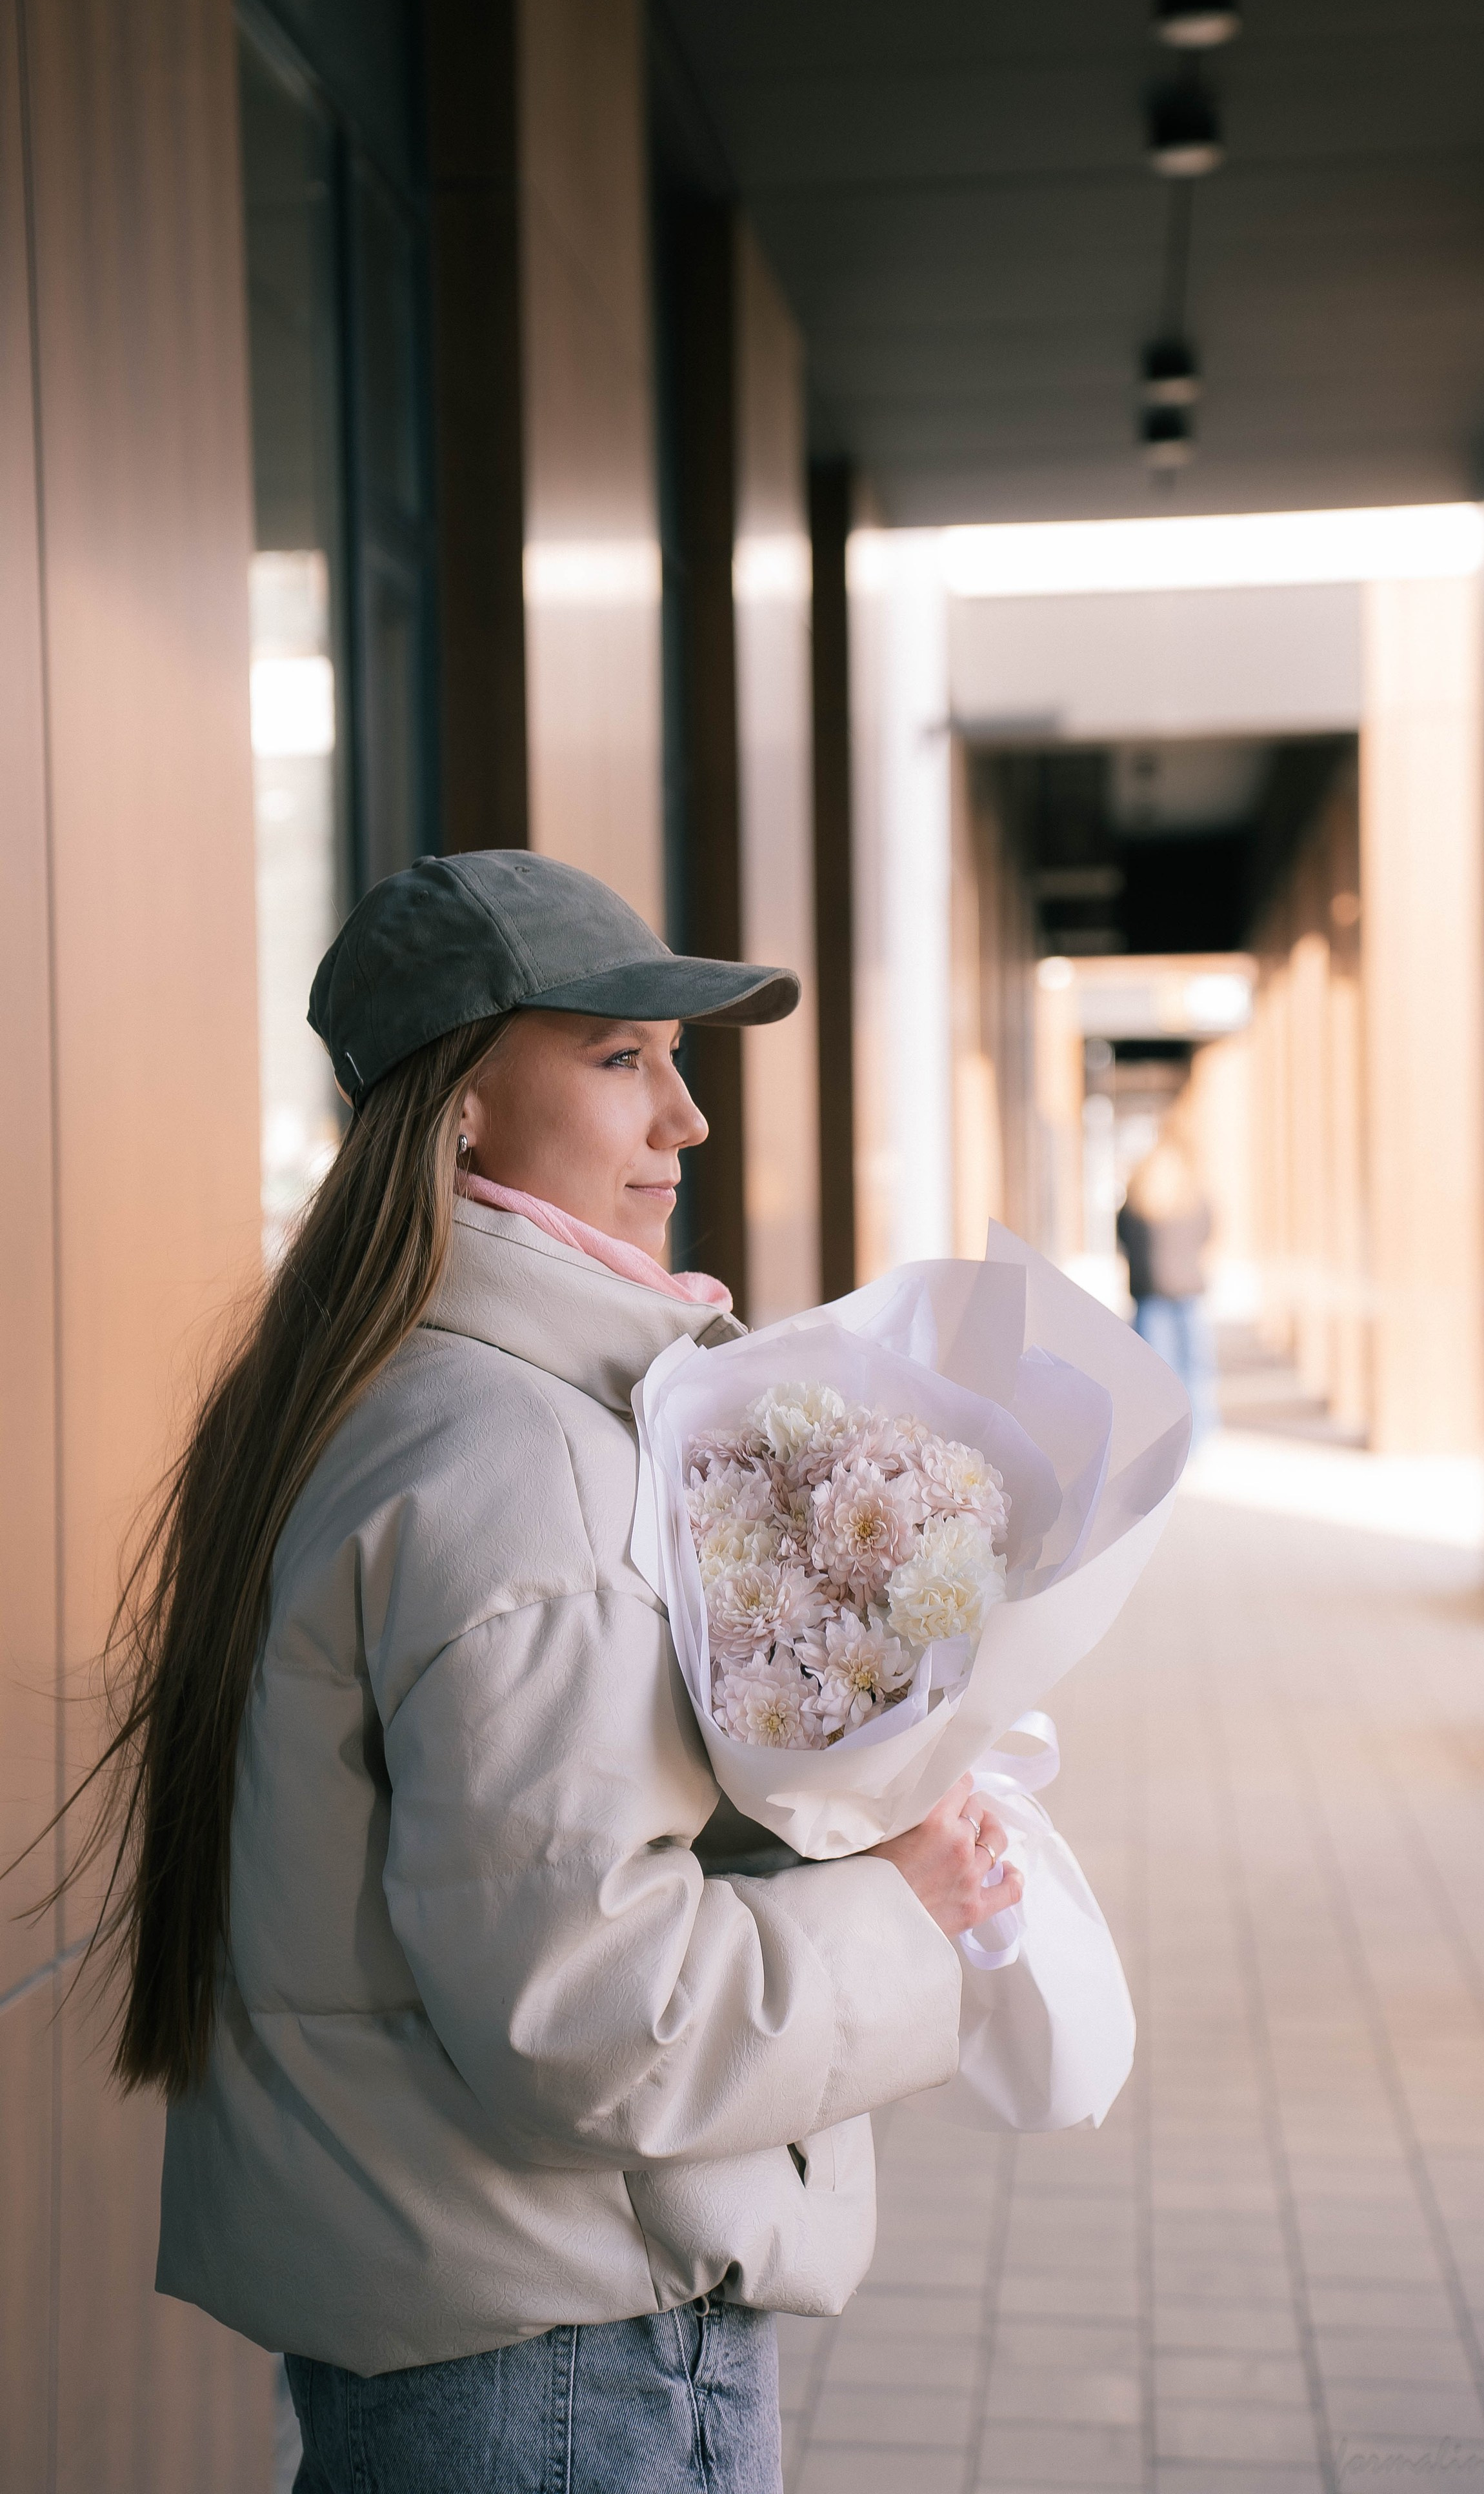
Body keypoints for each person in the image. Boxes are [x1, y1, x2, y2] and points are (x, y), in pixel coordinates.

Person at [50, 851, 1019, 2494]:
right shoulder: (528, 1464)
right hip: (569, 2365)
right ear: (462, 1114)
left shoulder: (372, 1400)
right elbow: (593, 2016)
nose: (684, 1120)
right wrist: (903, 1900)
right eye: (619, 1057)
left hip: (452, 2330)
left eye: (677, 1060)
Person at [1116, 1135, 1218, 1442]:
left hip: (1150, 1295)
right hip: (1187, 1293)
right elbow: (1208, 1232)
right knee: (1196, 1370)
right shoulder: (1194, 1200)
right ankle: (1199, 1436)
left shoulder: (1135, 1204)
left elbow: (1123, 1239)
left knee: (1156, 1377)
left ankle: (1163, 1440)